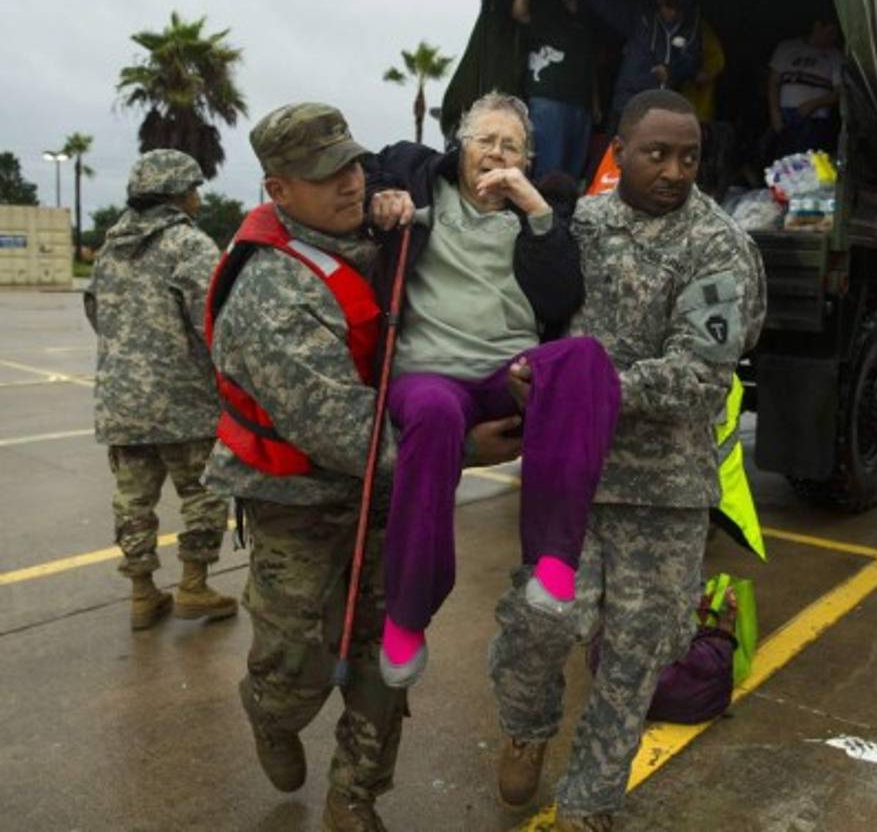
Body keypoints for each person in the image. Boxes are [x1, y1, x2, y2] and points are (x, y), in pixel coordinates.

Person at [202, 102, 521, 831]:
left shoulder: (372, 232)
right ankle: (270, 717)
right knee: (295, 664)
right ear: (278, 192)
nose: (350, 183)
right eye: (326, 176)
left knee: (387, 652)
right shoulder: (272, 291)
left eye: (352, 163)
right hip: (301, 499)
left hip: (390, 492)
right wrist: (461, 452)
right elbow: (341, 429)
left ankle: (356, 795)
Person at [488, 89, 767, 831]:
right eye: (657, 153)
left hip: (664, 489)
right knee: (538, 622)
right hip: (573, 477)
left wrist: (586, 386)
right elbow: (530, 309)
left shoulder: (718, 245)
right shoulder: (579, 225)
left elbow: (701, 375)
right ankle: (526, 722)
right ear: (620, 148)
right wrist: (524, 373)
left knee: (641, 653)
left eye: (689, 156)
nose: (674, 170)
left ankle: (591, 800)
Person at [360, 91, 620, 689]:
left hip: (509, 371)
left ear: (527, 160)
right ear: (461, 143)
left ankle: (554, 561)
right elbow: (364, 177)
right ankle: (408, 613)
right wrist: (382, 197)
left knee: (583, 359)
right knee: (430, 415)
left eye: (512, 146)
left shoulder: (544, 209)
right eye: (486, 140)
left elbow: (559, 298)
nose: (497, 153)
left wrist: (534, 211)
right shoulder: (415, 171)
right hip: (428, 373)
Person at [85, 149, 236, 631]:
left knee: (133, 500)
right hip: (184, 401)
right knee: (203, 493)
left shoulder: (111, 247)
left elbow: (95, 311)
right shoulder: (188, 245)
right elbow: (212, 318)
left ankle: (142, 593)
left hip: (121, 402)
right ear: (175, 193)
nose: (197, 197)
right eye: (193, 188)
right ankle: (193, 584)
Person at [582, 0, 703, 130]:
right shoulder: (643, 17)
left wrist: (671, 72)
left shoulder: (690, 29)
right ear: (660, 1)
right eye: (668, 6)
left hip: (661, 109)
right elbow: (614, 10)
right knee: (618, 149)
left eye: (677, 8)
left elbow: (692, 62)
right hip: (627, 102)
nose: (671, 12)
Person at [511, 0, 600, 180]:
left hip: (580, 105)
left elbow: (591, 69)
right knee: (548, 170)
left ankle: (564, 206)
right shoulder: (545, 15)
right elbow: (519, 14)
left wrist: (595, 104)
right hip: (549, 100)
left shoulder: (585, 25)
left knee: (573, 171)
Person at [767, 16, 844, 158]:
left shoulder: (835, 56)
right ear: (817, 26)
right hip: (785, 116)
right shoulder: (787, 47)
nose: (832, 38)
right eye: (830, 32)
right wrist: (775, 114)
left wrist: (814, 104)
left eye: (835, 35)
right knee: (783, 163)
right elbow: (773, 83)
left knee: (809, 164)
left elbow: (840, 92)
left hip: (815, 120)